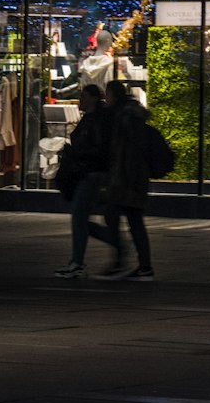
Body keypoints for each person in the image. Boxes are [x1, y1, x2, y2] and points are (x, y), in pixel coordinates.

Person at [95, 79, 154, 281]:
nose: (106, 99)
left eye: (108, 95)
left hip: (126, 177)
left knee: (118, 216)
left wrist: (121, 177)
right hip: (133, 175)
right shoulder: (132, 114)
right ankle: (140, 265)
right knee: (132, 220)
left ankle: (125, 261)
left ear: (113, 95)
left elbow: (122, 150)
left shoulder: (122, 116)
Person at [54, 83, 111, 279]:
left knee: (79, 217)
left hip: (90, 173)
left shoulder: (95, 121)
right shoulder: (92, 119)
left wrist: (77, 154)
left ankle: (79, 262)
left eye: (84, 96)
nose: (81, 100)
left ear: (94, 98)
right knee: (80, 218)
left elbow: (95, 149)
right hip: (88, 173)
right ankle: (114, 242)